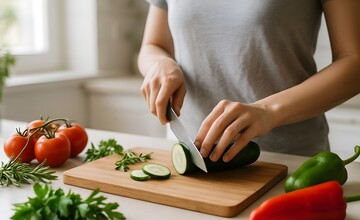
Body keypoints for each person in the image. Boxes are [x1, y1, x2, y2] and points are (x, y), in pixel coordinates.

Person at [137, 0, 360, 162]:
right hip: (190, 154)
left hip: (286, 161)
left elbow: (354, 63)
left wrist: (268, 110)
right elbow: (153, 46)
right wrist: (160, 63)